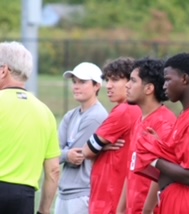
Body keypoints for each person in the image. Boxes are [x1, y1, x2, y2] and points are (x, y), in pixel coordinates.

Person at [135, 53, 189, 214]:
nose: (164, 85)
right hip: (179, 196)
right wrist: (159, 145)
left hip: (186, 199)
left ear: (185, 79)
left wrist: (153, 159)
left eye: (167, 79)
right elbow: (180, 157)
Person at [0, 41, 61, 214]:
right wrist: (44, 210)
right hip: (23, 197)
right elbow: (54, 170)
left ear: (4, 70)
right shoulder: (46, 113)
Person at [82, 57, 141, 214]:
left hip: (110, 198)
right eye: (107, 80)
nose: (108, 86)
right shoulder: (137, 109)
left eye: (115, 80)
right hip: (121, 195)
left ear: (131, 81)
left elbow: (86, 151)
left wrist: (98, 147)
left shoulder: (124, 110)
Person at [118, 58, 176, 214]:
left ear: (148, 88)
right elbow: (132, 168)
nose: (127, 85)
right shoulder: (139, 119)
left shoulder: (165, 123)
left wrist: (147, 209)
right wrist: (121, 209)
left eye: (133, 81)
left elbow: (162, 172)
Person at [54, 62, 108, 214]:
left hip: (83, 193)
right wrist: (66, 154)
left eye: (83, 82)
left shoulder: (97, 116)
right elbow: (52, 152)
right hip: (65, 192)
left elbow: (79, 155)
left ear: (97, 86)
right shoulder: (70, 115)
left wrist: (63, 153)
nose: (76, 86)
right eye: (74, 82)